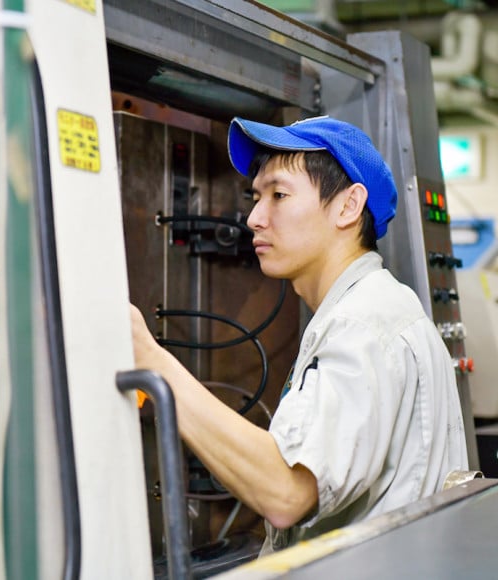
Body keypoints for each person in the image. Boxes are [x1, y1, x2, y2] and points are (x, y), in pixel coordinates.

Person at [129, 115, 469, 556]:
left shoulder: (362, 325)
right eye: (256, 198)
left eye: (279, 195)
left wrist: (152, 363)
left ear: (348, 207)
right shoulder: (374, 309)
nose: (254, 218)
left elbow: (286, 493)